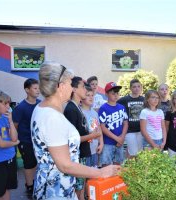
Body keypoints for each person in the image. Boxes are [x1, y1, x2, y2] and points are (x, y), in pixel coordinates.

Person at [31, 62, 120, 200]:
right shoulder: (52, 117)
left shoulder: (42, 108)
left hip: (57, 186)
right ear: (60, 86)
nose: (72, 87)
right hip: (56, 191)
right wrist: (100, 172)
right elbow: (65, 165)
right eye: (69, 82)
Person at [64, 76, 101, 200]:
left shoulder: (76, 108)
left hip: (83, 153)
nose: (85, 90)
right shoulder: (70, 109)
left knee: (82, 184)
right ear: (74, 89)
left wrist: (90, 132)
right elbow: (72, 139)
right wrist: (93, 135)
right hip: (77, 155)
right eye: (82, 87)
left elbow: (79, 131)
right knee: (78, 187)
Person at [0, 90, 19, 200]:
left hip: (10, 158)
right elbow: (0, 144)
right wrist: (14, 143)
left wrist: (10, 121)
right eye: (5, 103)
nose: (8, 106)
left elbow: (14, 137)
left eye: (8, 103)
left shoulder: (5, 117)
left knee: (6, 188)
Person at [12, 78, 40, 197]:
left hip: (38, 141)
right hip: (25, 141)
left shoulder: (40, 104)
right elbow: (15, 126)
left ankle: (34, 183)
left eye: (38, 88)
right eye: (35, 88)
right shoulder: (20, 108)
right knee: (29, 164)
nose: (38, 90)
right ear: (27, 90)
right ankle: (29, 186)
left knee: (36, 163)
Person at [98, 82, 128, 167]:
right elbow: (102, 127)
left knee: (118, 164)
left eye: (117, 93)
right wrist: (117, 139)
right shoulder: (103, 108)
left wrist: (121, 137)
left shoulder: (121, 107)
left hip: (120, 141)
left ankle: (117, 181)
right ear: (106, 94)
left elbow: (125, 123)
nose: (116, 95)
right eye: (113, 93)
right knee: (106, 165)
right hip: (108, 142)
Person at [117, 79, 144, 158]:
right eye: (134, 87)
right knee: (132, 152)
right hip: (129, 130)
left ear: (141, 88)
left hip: (140, 130)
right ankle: (130, 169)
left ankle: (137, 169)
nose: (137, 88)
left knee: (140, 152)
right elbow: (114, 105)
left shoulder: (144, 100)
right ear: (130, 88)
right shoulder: (124, 100)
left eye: (138, 86)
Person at [81, 86, 103, 168]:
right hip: (85, 150)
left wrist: (101, 143)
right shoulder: (80, 112)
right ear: (82, 97)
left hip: (94, 149)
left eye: (92, 95)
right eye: (88, 95)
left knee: (94, 171)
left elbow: (98, 129)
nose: (91, 97)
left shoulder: (94, 113)